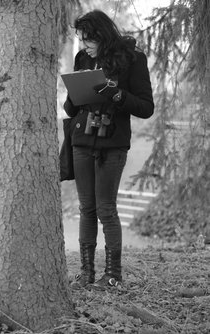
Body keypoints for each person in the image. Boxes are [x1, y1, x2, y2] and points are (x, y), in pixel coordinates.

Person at [63, 10, 154, 289]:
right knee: (86, 208)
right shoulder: (83, 58)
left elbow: (146, 108)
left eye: (89, 40)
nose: (84, 45)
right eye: (81, 40)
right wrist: (77, 93)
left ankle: (113, 275)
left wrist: (116, 95)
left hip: (112, 143)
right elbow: (70, 107)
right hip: (81, 140)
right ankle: (87, 274)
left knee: (106, 209)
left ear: (102, 35)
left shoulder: (133, 59)